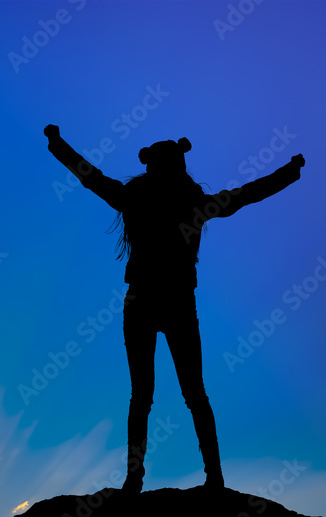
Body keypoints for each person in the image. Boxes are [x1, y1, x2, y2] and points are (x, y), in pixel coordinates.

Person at [43, 124, 305, 492]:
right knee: (193, 393)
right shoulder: (192, 201)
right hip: (177, 300)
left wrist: (58, 146)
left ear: (152, 167)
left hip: (144, 300)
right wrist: (287, 174)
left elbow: (93, 178)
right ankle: (211, 476)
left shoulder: (136, 197)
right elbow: (244, 195)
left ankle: (139, 478)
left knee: (144, 395)